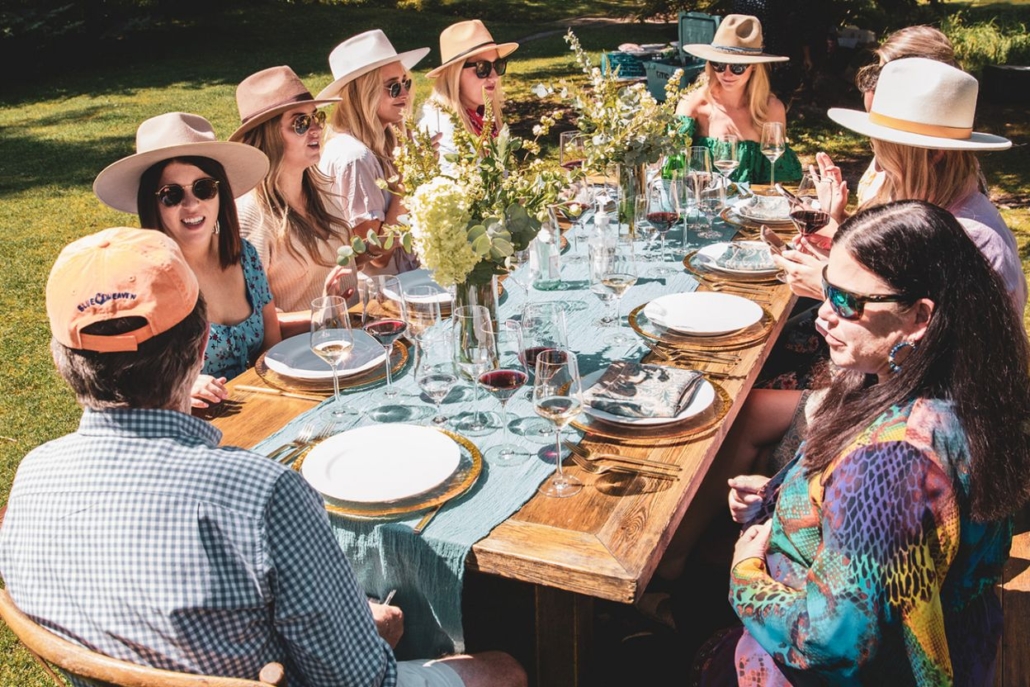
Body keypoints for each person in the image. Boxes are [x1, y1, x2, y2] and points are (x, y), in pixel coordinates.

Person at [0, 226, 527, 687]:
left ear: (63, 361)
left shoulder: (32, 478)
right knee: (504, 668)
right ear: (202, 344)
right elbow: (359, 678)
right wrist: (372, 626)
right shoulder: (262, 493)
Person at [704, 201, 1030, 684]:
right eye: (827, 290)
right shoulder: (966, 382)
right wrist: (783, 498)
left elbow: (832, 643)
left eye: (846, 302)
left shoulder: (894, 466)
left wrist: (745, 575)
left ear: (920, 316)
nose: (822, 315)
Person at [775, 58, 1025, 312]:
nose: (880, 167)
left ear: (934, 154)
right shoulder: (934, 206)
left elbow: (932, 335)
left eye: (888, 151)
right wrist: (840, 234)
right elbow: (892, 282)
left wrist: (831, 288)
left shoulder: (971, 238)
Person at [92, 111, 280, 408]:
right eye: (171, 195)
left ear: (221, 193)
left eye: (204, 188)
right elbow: (117, 377)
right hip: (187, 426)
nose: (192, 205)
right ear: (152, 204)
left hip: (266, 407)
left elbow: (272, 341)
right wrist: (183, 385)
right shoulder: (142, 281)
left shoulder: (245, 255)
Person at [230, 65, 363, 336]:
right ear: (269, 136)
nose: (316, 129)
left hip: (354, 338)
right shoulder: (250, 215)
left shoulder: (324, 190)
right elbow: (257, 325)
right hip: (303, 356)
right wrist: (327, 313)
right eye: (300, 123)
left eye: (317, 118)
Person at [316, 30, 427, 275]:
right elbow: (376, 255)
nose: (406, 94)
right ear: (361, 94)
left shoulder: (387, 137)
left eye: (405, 82)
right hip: (381, 298)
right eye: (393, 87)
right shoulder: (354, 157)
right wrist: (410, 179)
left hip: (409, 281)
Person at [676, 14, 802, 185]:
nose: (726, 74)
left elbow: (776, 178)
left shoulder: (771, 109)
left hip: (750, 208)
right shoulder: (694, 104)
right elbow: (672, 169)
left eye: (737, 67)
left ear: (755, 67)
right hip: (703, 205)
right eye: (718, 64)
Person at [419, 19, 519, 175]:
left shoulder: (480, 117)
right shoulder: (439, 128)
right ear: (455, 74)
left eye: (498, 65)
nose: (494, 77)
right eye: (482, 68)